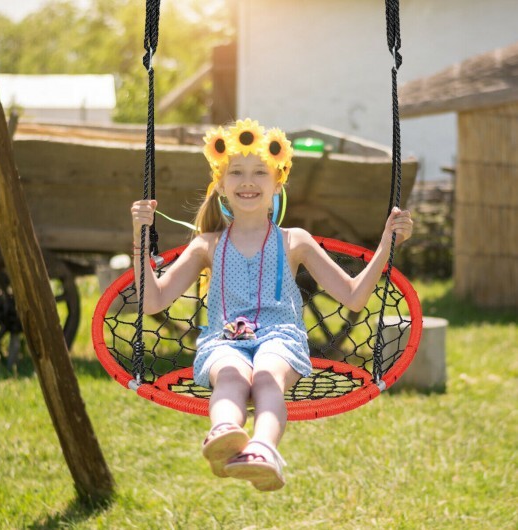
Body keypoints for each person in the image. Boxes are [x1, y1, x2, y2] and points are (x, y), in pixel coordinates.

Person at [131, 118, 413, 492]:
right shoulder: (207, 246)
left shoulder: (295, 240)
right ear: (220, 183)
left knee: (266, 373)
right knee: (230, 375)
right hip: (224, 341)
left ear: (278, 182)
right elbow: (154, 300)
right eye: (236, 172)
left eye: (260, 172)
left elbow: (352, 296)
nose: (248, 182)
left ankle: (264, 448)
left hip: (281, 339)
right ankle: (225, 433)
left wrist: (386, 246)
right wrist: (140, 237)